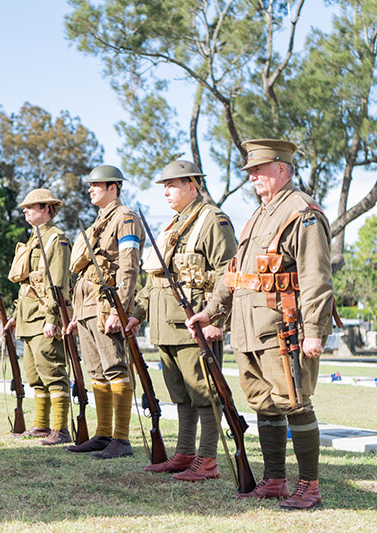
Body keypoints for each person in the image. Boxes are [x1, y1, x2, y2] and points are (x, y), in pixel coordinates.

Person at [187, 139, 335, 509]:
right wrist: (210, 310)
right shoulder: (258, 214)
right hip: (249, 329)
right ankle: (274, 481)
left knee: (295, 403)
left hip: (284, 328)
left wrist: (314, 331)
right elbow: (235, 273)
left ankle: (309, 486)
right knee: (264, 404)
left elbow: (317, 277)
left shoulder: (303, 213)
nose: (252, 177)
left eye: (259, 169)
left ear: (282, 169)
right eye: (250, 171)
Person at [125, 160, 237, 481]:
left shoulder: (213, 221)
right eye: (164, 186)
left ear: (193, 185)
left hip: (194, 324)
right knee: (181, 394)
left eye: (172, 185)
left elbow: (228, 274)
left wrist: (219, 319)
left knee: (205, 394)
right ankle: (186, 452)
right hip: (164, 325)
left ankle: (207, 460)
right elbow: (154, 279)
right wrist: (137, 314)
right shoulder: (171, 225)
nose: (166, 192)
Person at [66, 165, 144, 459]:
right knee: (95, 371)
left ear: (114, 188)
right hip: (86, 307)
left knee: (115, 369)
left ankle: (121, 439)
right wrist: (75, 315)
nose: (90, 188)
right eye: (90, 184)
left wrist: (119, 309)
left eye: (97, 184)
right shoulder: (96, 224)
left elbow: (128, 267)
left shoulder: (125, 219)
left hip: (106, 306)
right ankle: (103, 434)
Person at [3, 188, 72, 446]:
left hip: (44, 316)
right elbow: (26, 285)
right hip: (27, 317)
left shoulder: (57, 239)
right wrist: (14, 316)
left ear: (46, 208)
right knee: (34, 376)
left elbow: (57, 282)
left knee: (53, 372)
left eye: (31, 207)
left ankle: (60, 429)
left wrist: (53, 318)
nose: (25, 210)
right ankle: (42, 425)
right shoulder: (33, 239)